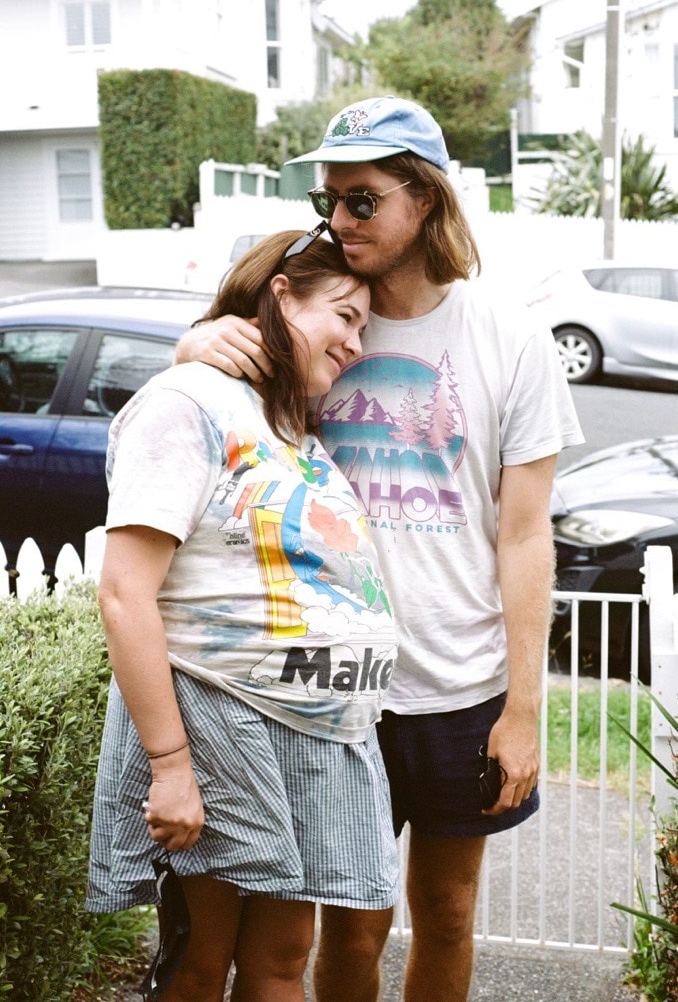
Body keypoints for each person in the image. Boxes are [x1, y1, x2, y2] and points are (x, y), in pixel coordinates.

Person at [175, 95, 585, 1002]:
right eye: (331, 201)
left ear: (425, 201)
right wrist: (191, 342)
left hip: (459, 688)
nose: (340, 220)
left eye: (364, 200)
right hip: (330, 688)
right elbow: (212, 424)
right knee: (348, 926)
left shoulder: (510, 340)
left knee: (446, 911)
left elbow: (524, 536)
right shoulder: (314, 321)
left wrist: (525, 710)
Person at [86, 227, 401, 1002]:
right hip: (225, 727)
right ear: (282, 293)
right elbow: (124, 591)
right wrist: (170, 766)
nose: (357, 343)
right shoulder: (186, 402)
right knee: (202, 959)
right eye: (346, 316)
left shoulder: (290, 425)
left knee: (285, 957)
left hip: (306, 736)